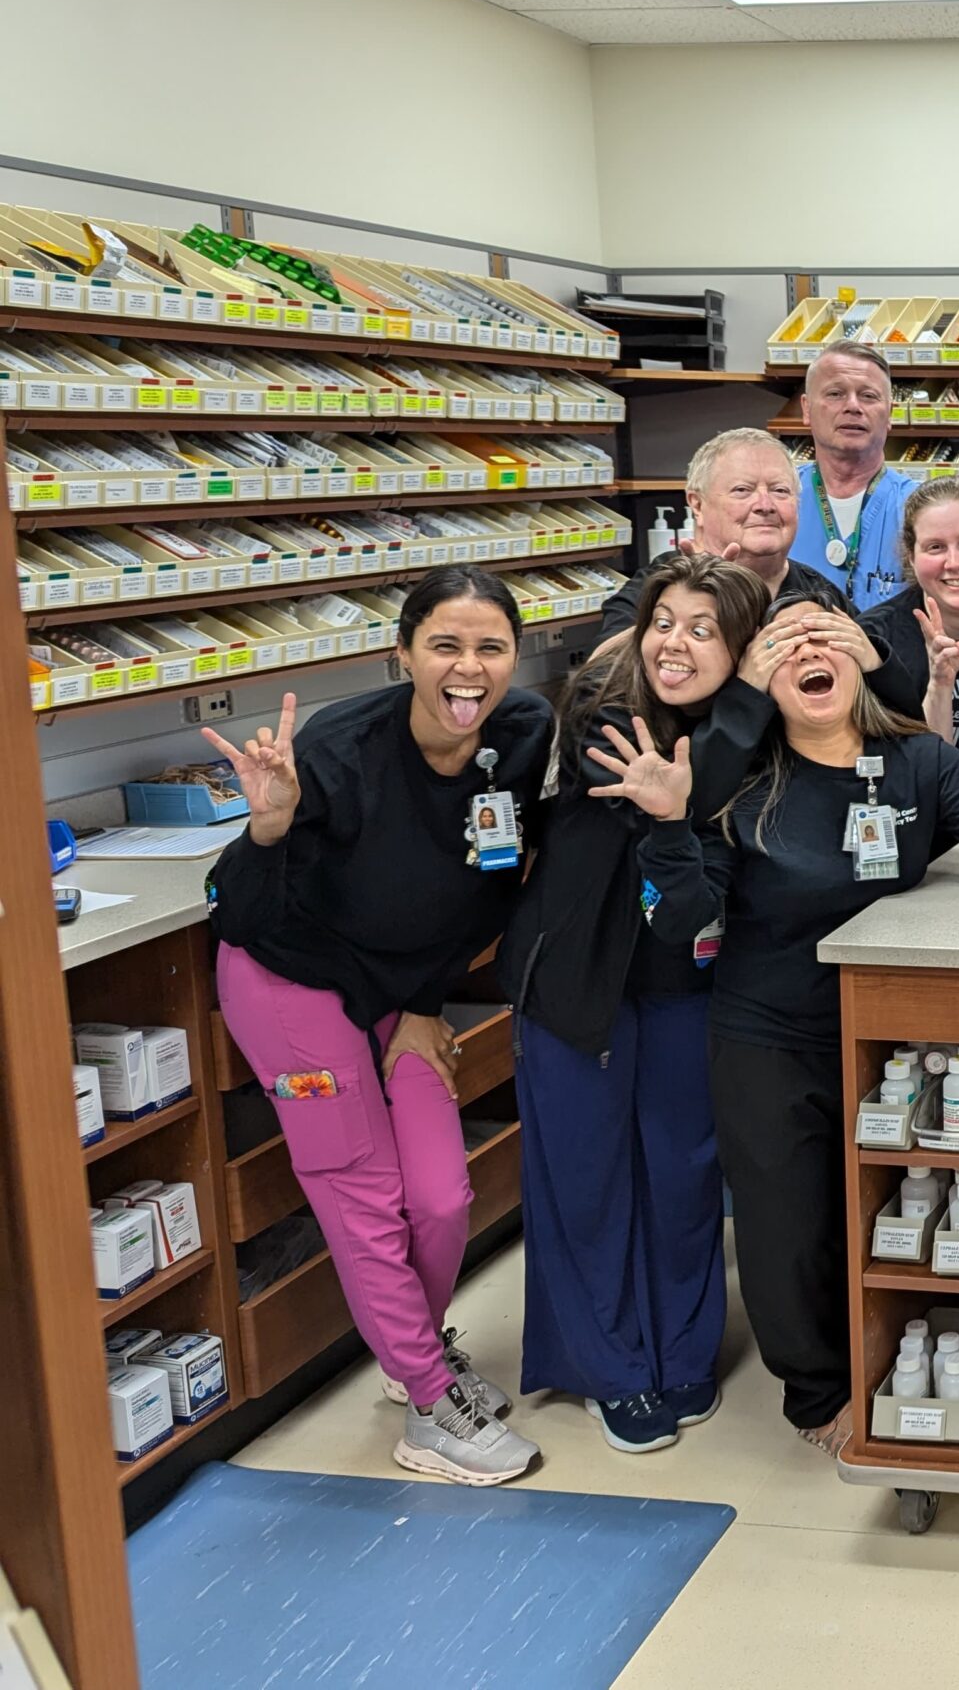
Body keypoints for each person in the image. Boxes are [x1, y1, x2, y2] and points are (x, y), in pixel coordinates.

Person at [619, 589, 959, 1452]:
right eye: (783, 646)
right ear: (756, 680)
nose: (808, 654)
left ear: (864, 660)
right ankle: (817, 1391)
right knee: (789, 1225)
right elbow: (679, 919)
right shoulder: (735, 782)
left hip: (901, 1040)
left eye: (826, 637)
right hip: (770, 1033)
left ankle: (914, 1358)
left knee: (905, 1206)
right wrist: (669, 826)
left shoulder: (918, 763)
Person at [202, 568, 551, 1485]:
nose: (467, 669)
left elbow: (482, 889)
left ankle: (417, 1360)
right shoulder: (337, 750)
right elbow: (239, 913)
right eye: (444, 645)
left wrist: (426, 1006)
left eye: (490, 648)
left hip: (402, 993)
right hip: (290, 983)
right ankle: (431, 1404)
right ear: (402, 656)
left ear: (515, 658)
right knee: (363, 1194)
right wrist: (267, 829)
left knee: (439, 1197)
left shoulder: (518, 735)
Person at [499, 554, 768, 1453]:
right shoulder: (606, 707)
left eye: (704, 630)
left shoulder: (753, 731)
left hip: (684, 981)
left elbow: (713, 802)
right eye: (665, 621)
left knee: (685, 1173)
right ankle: (613, 1367)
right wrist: (750, 693)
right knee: (587, 1180)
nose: (674, 643)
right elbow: (690, 784)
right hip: (578, 982)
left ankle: (685, 1350)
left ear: (742, 649)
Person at [599, 427, 839, 641]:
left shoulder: (820, 593)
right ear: (697, 505)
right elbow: (596, 679)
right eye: (742, 490)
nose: (765, 505)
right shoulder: (659, 585)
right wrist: (690, 607)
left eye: (780, 490)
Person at [856, 476, 959, 768]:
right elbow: (912, 775)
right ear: (911, 557)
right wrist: (940, 685)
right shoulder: (875, 641)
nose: (954, 562)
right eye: (935, 547)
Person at [787, 344, 917, 610]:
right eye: (835, 394)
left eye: (869, 396)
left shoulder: (919, 506)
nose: (853, 406)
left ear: (890, 413)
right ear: (807, 409)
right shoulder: (777, 501)